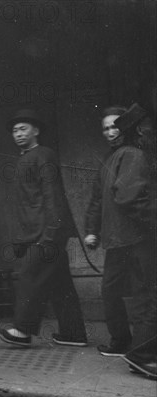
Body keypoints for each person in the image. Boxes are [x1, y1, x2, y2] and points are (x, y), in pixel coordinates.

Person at [0, 109, 87, 348]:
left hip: (45, 234)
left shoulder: (43, 155)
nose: (18, 134)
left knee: (29, 276)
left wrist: (51, 234)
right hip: (36, 233)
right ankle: (73, 334)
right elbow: (25, 203)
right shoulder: (25, 159)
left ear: (36, 131)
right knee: (61, 285)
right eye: (15, 130)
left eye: (23, 128)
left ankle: (22, 331)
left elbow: (52, 196)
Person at [84, 104, 156, 379]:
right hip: (136, 236)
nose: (111, 131)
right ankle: (141, 354)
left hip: (122, 237)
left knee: (131, 293)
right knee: (146, 295)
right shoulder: (133, 155)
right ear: (138, 129)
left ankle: (133, 347)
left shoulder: (122, 156)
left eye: (115, 126)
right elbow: (126, 198)